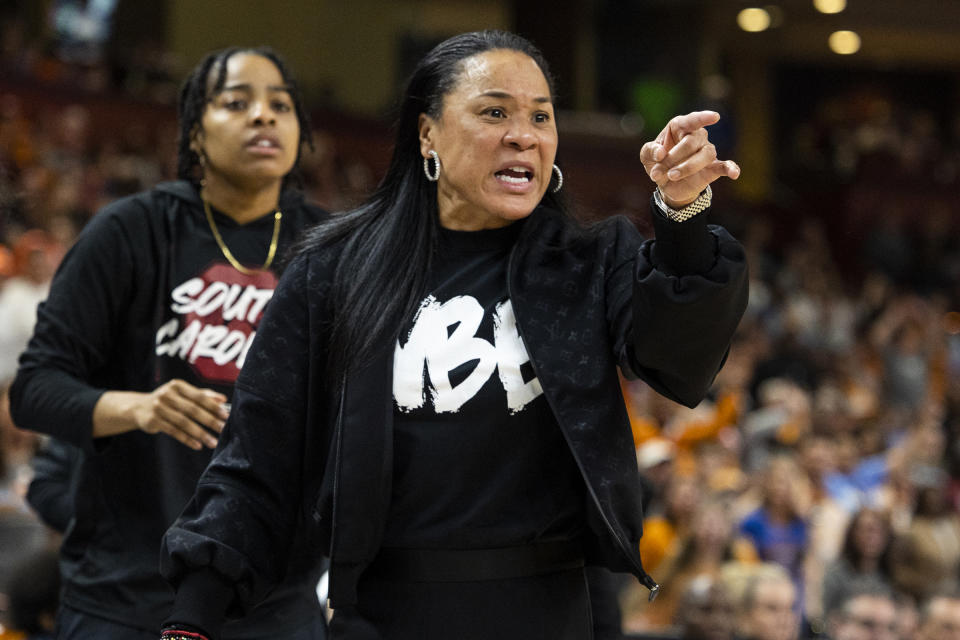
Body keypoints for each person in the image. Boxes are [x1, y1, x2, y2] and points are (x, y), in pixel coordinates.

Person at [160, 30, 748, 640]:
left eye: (540, 117)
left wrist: (683, 217)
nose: (524, 134)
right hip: (383, 616)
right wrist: (192, 616)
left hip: (554, 615)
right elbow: (259, 455)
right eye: (494, 112)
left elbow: (680, 361)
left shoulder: (590, 261)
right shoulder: (335, 269)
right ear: (427, 134)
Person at [8, 47, 328, 639]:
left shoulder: (333, 250)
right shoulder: (129, 232)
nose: (264, 116)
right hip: (126, 595)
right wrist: (138, 406)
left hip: (276, 602)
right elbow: (34, 389)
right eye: (237, 102)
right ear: (195, 135)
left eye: (280, 105)